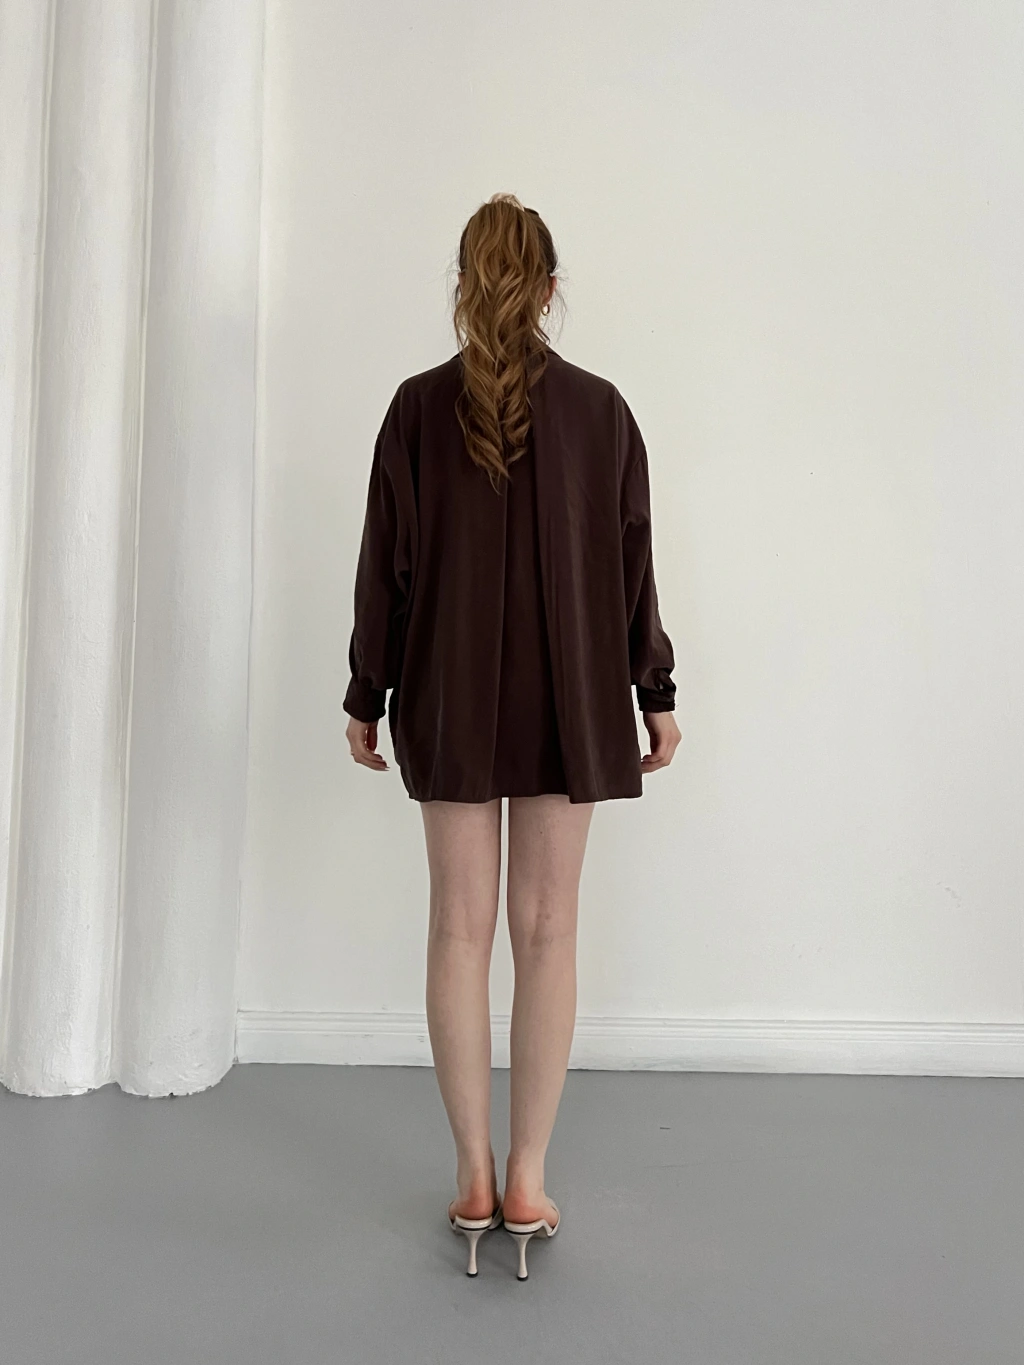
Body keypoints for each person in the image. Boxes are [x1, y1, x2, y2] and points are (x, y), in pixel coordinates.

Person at [342, 193, 681, 1279]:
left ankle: (473, 1176)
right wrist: (653, 688)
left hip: (446, 693)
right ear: (548, 290)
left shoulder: (414, 410)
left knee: (457, 929)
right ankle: (528, 1179)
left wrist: (366, 693)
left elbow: (385, 569)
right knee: (548, 929)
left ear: (462, 285)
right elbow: (631, 565)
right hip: (570, 696)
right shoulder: (601, 411)